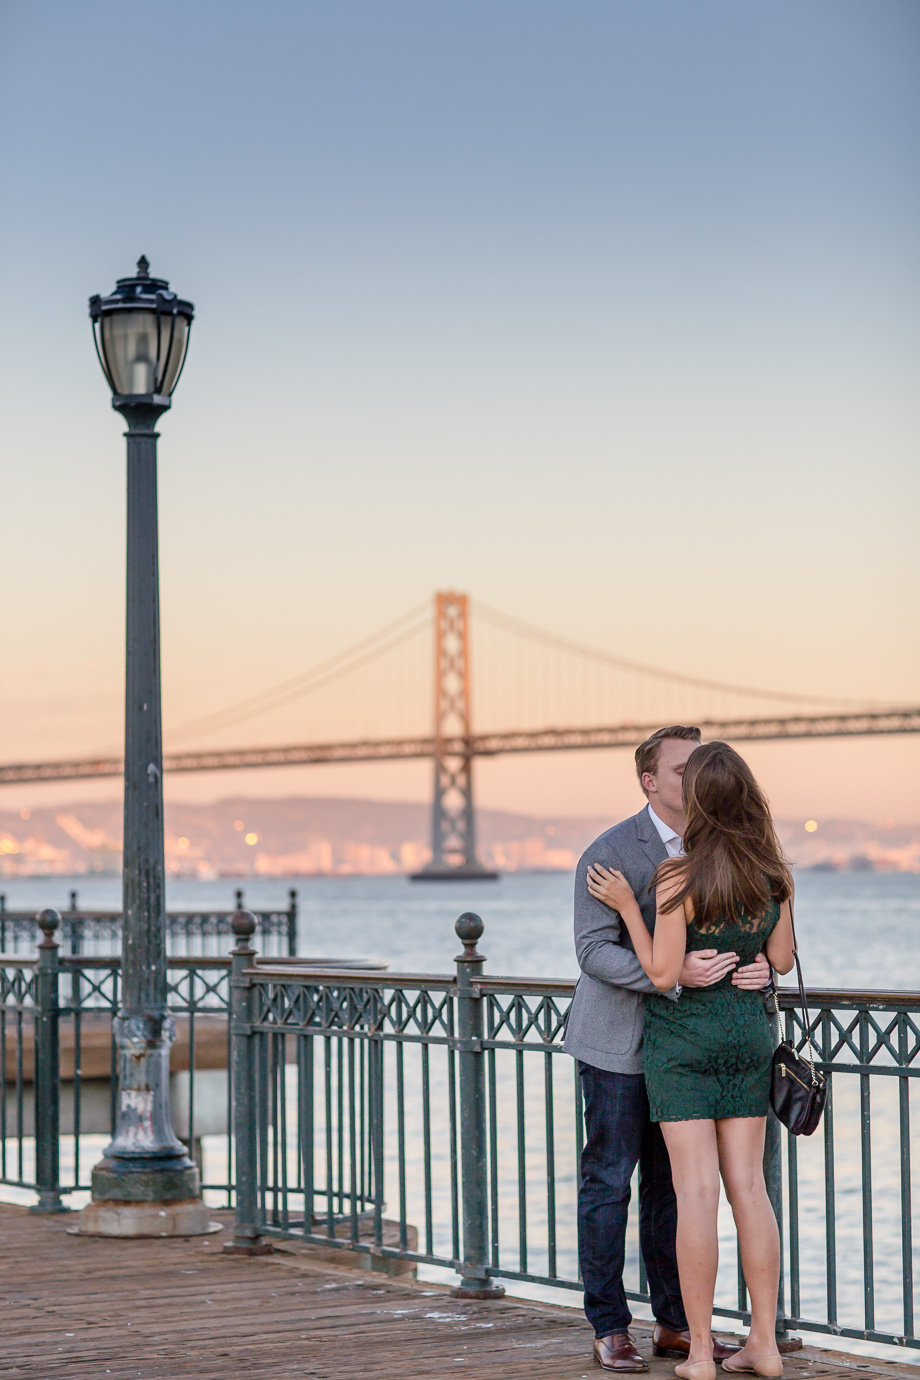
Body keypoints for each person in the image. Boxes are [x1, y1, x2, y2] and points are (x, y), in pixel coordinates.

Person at [564, 726, 771, 1373]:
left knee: (677, 1192)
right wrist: (673, 971)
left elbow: (755, 925)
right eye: (681, 768)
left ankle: (680, 1326)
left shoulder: (722, 849)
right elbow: (592, 949)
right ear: (649, 781)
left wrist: (759, 960)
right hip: (622, 1045)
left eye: (699, 767)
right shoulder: (610, 851)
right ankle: (609, 1326)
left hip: (689, 1050)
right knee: (609, 1183)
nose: (693, 776)